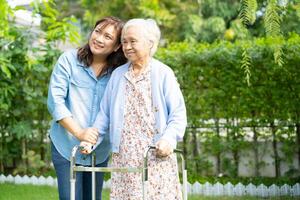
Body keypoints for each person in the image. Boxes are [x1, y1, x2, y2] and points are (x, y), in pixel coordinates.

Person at [81, 18, 187, 200]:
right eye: (123, 42)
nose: (127, 46)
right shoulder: (118, 75)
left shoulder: (163, 74)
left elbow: (177, 114)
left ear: (150, 43)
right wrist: (91, 140)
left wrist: (169, 140)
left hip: (155, 155)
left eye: (133, 41)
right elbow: (104, 114)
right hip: (125, 157)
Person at [47, 16, 127, 200]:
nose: (99, 38)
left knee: (93, 197)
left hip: (98, 151)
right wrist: (80, 133)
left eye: (107, 36)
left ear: (116, 46)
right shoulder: (68, 60)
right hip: (66, 145)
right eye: (97, 31)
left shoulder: (119, 73)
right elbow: (55, 102)